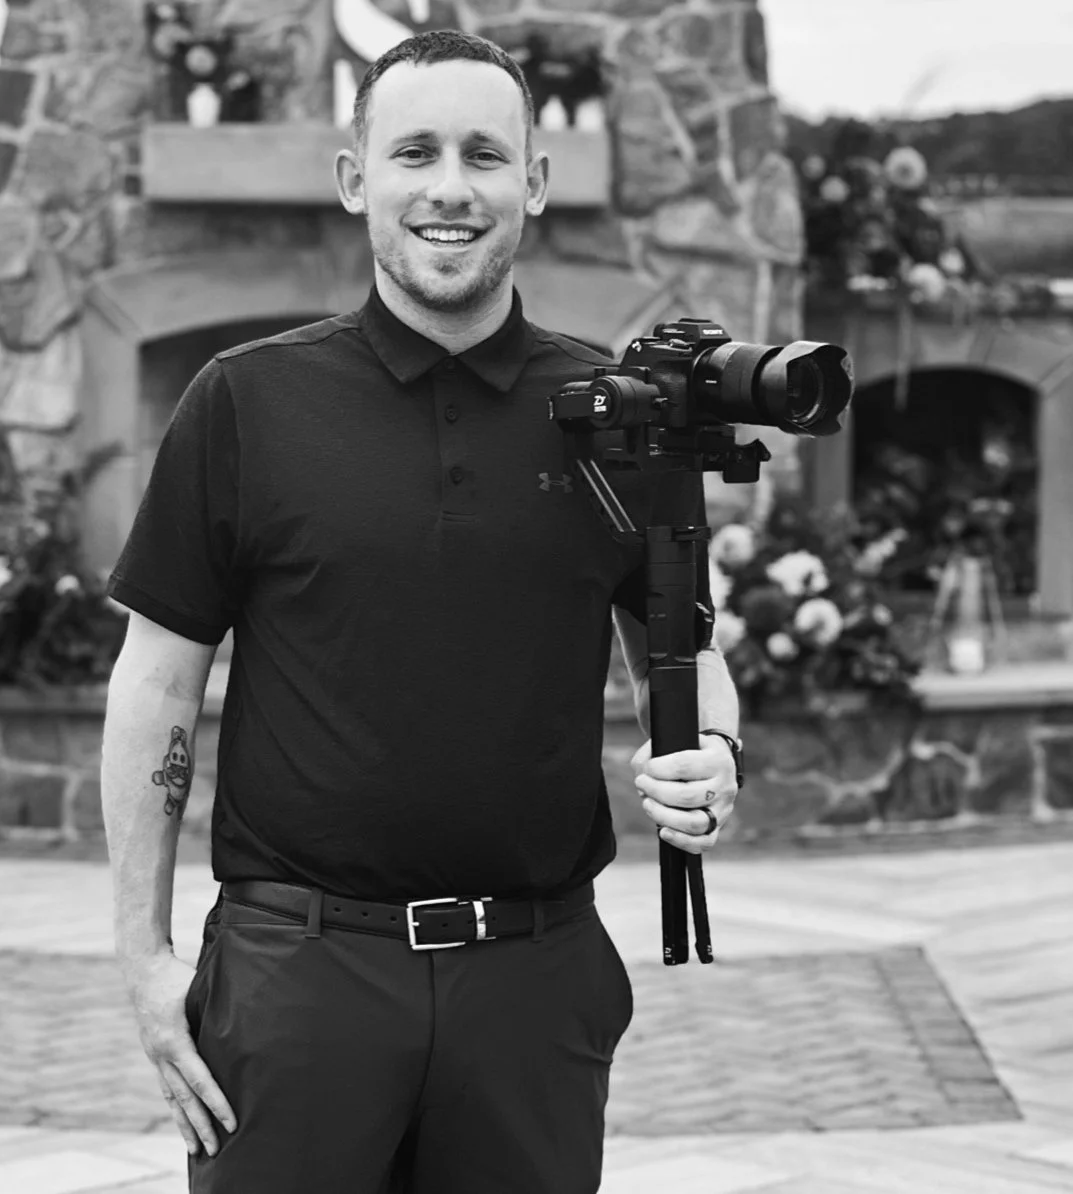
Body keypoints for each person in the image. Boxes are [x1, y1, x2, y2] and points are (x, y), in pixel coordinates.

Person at [101, 29, 742, 1194]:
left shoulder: (623, 413)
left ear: (533, 184)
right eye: (414, 151)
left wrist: (714, 750)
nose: (450, 185)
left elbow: (683, 652)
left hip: (534, 984)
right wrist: (144, 960)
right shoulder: (243, 401)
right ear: (357, 180)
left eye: (485, 154)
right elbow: (155, 682)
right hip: (296, 981)